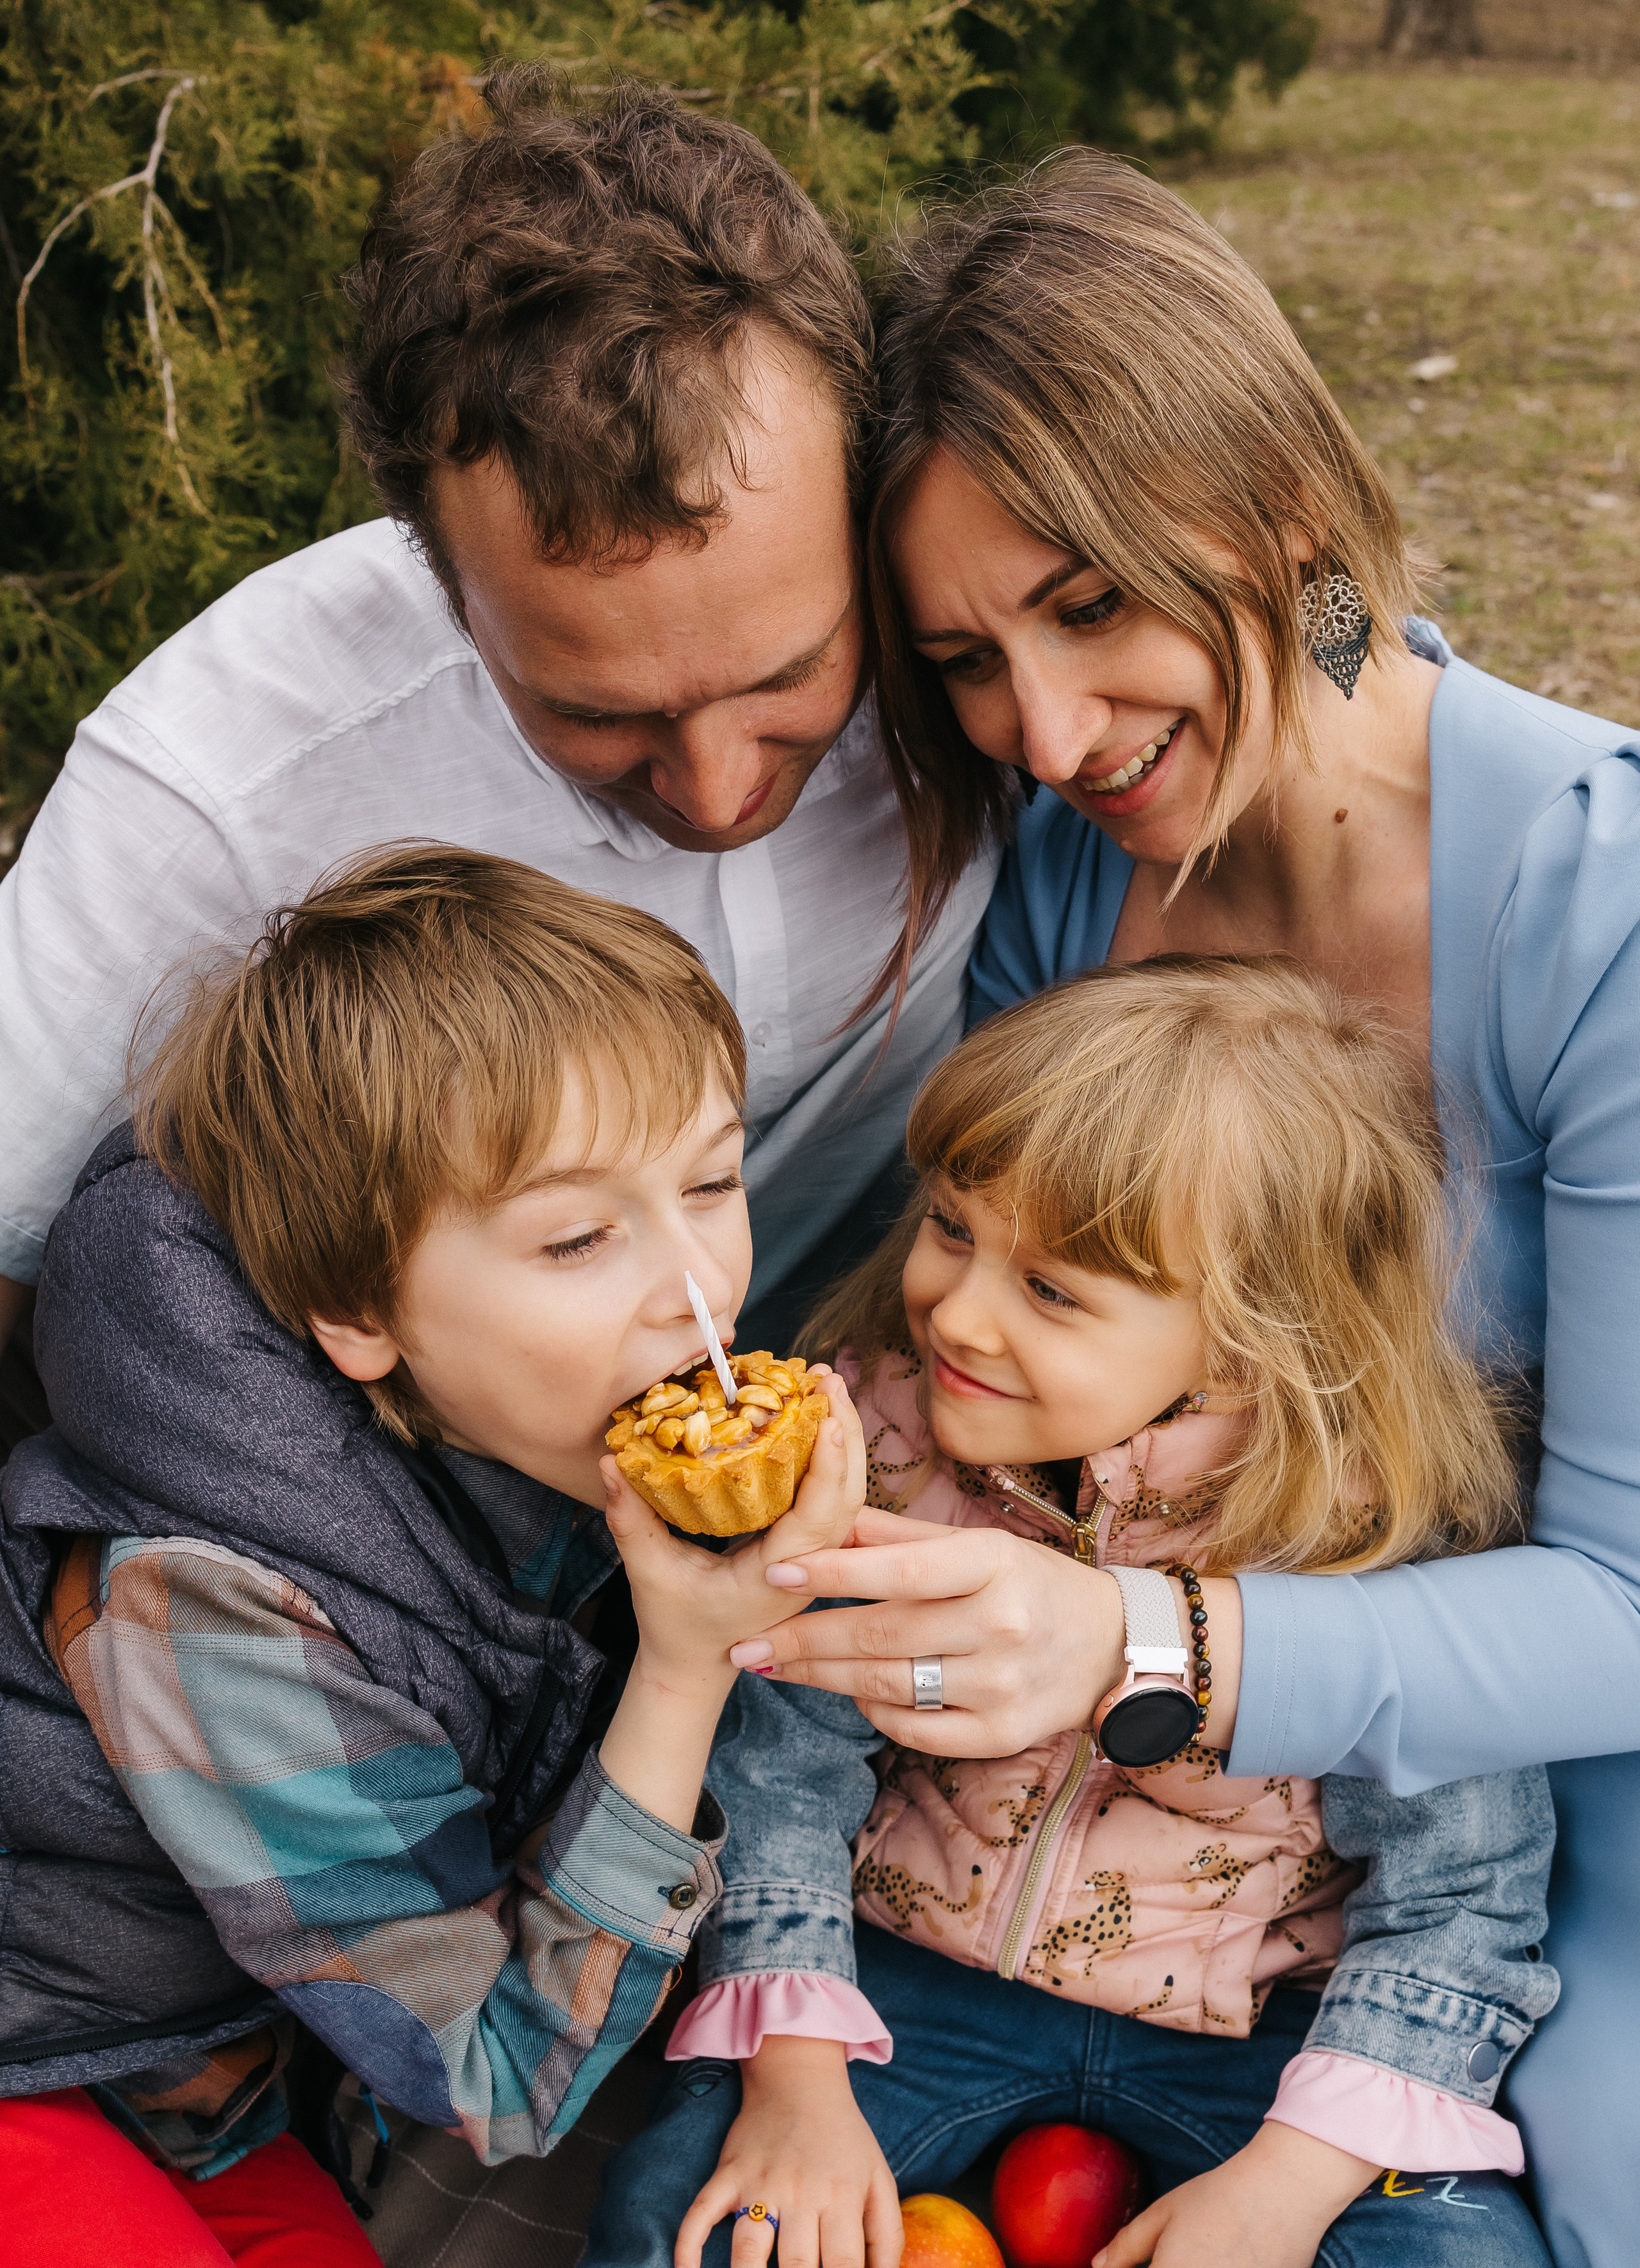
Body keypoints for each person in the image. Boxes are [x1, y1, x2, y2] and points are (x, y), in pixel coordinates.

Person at [713, 156, 1640, 2268]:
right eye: (962, 663)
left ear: (1277, 497)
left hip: (1545, 1788)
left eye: (1090, 602)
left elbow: (1625, 1603)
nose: (1041, 730)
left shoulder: (1595, 912)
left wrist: (1156, 1656)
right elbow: (966, 1379)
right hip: (1135, 1843)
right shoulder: (1067, 882)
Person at [512, 956, 1564, 2268]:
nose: (957, 1306)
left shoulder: (1373, 1534)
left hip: (1257, 2040)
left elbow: (1463, 1899)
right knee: (696, 2231)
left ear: (1255, 1332)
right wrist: (797, 2087)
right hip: (896, 1995)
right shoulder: (864, 1439)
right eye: (950, 1224)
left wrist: (1286, 2184)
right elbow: (784, 1770)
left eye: (1052, 1289)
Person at [0, 844, 867, 2268]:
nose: (695, 1298)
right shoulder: (202, 1604)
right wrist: (679, 1675)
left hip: (196, 2092)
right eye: (570, 1243)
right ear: (355, 1314)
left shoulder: (527, 1435)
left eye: (708, 1183)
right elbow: (491, 2077)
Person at [0, 72, 997, 1367]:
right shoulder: (216, 781)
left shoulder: (963, 618)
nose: (712, 790)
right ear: (438, 582)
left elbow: (1291, 626)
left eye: (782, 680)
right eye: (593, 713)